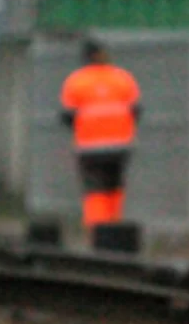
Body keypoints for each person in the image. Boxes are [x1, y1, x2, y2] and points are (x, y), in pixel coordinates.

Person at [59, 40, 141, 230]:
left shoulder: (77, 81)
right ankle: (114, 225)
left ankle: (97, 228)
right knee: (115, 186)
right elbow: (136, 111)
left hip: (90, 147)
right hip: (120, 145)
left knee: (95, 189)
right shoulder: (122, 78)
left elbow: (68, 116)